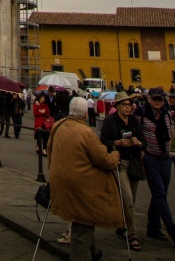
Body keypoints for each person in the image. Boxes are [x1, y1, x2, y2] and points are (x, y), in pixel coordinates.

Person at [49, 96, 122, 261]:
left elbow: (50, 150)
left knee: (81, 219)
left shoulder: (57, 125)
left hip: (60, 180)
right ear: (85, 114)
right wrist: (115, 156)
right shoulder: (87, 132)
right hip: (82, 186)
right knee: (83, 223)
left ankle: (94, 251)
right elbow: (103, 160)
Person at [138, 88, 175, 246]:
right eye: (155, 99)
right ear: (149, 99)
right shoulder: (141, 113)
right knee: (159, 193)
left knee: (161, 193)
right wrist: (142, 151)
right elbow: (136, 133)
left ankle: (153, 227)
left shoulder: (166, 113)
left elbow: (171, 131)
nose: (158, 102)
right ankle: (172, 230)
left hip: (165, 158)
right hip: (150, 157)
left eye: (160, 99)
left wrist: (169, 146)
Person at [99, 92, 144, 251]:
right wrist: (117, 142)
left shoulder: (134, 121)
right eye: (125, 105)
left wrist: (139, 142)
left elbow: (142, 139)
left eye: (129, 105)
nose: (128, 107)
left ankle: (121, 225)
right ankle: (133, 235)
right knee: (128, 199)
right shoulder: (110, 121)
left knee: (131, 199)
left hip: (134, 164)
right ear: (117, 106)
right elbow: (103, 140)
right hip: (120, 163)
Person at [34, 90, 54, 156]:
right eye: (42, 97)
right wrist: (41, 112)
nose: (44, 98)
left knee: (46, 135)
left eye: (44, 97)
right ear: (39, 98)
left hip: (45, 123)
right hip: (38, 122)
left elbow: (48, 113)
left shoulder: (45, 105)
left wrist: (44, 112)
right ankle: (38, 146)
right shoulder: (36, 105)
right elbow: (35, 113)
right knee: (39, 135)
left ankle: (44, 149)